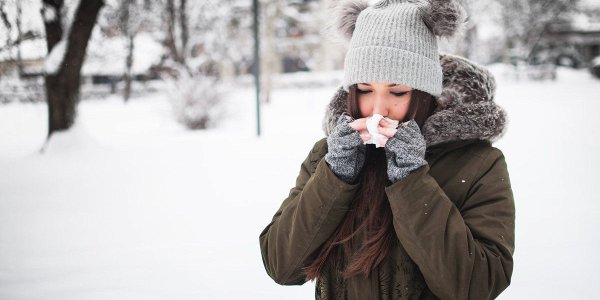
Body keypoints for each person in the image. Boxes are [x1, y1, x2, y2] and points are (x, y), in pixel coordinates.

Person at [259, 0, 515, 299]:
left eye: (397, 92)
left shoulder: (478, 163)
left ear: (424, 94)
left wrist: (412, 180)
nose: (378, 108)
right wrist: (335, 175)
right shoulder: (328, 154)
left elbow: (478, 284)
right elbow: (281, 265)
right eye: (365, 90)